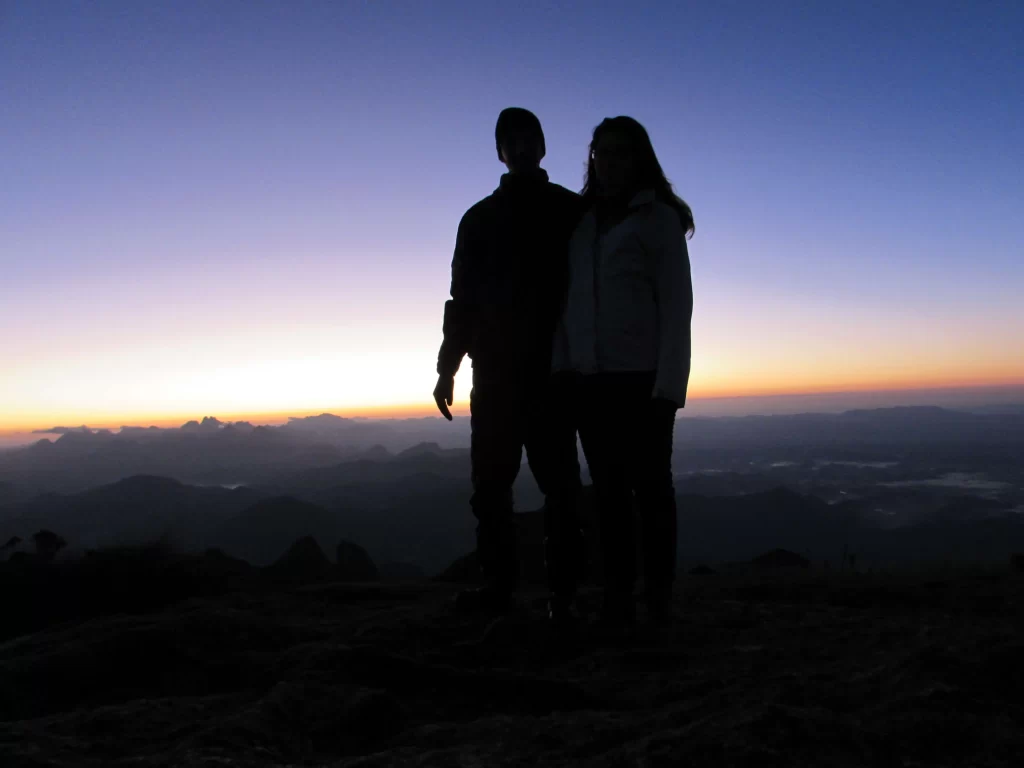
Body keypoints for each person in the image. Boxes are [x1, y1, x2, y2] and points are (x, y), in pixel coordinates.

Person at [433, 107, 586, 620]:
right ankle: (501, 590)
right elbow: (462, 300)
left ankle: (561, 595)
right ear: (499, 151)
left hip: (552, 375)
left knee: (560, 489)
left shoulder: (572, 212)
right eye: (512, 141)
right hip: (495, 376)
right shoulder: (478, 220)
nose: (521, 148)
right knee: (493, 489)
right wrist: (447, 367)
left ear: (543, 145)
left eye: (529, 139)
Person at [553, 116, 694, 628]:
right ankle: (618, 598)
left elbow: (678, 307)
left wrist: (669, 389)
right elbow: (570, 302)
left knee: (653, 489)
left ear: (640, 159)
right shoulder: (584, 223)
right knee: (609, 494)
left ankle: (658, 598)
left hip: (643, 380)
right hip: (591, 381)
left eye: (620, 152)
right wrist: (564, 366)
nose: (608, 162)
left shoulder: (657, 220)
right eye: (601, 153)